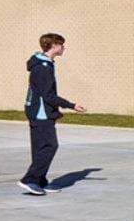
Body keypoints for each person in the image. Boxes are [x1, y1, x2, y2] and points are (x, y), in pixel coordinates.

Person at [19, 32, 86, 195]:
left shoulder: (44, 64)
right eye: (62, 45)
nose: (64, 47)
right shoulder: (42, 68)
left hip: (36, 111)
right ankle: (30, 179)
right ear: (54, 46)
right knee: (50, 145)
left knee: (40, 147)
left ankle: (40, 181)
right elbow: (48, 95)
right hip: (41, 112)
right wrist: (71, 105)